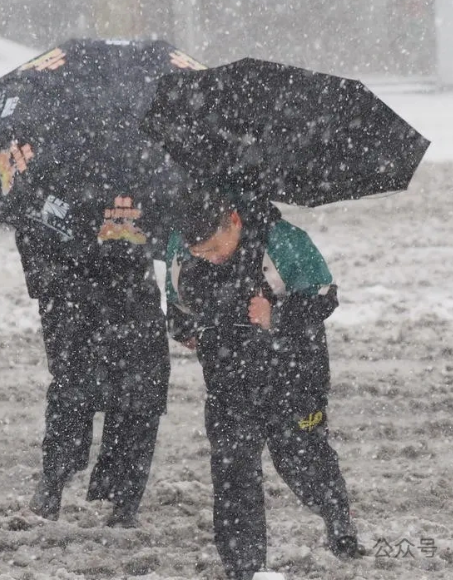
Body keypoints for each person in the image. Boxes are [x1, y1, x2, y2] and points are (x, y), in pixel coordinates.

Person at [165, 189, 361, 579]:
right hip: (226, 383)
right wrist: (185, 330)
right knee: (233, 474)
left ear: (234, 220)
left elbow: (325, 296)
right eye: (200, 253)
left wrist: (277, 314)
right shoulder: (182, 248)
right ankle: (245, 567)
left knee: (302, 462)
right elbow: (178, 306)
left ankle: (338, 519)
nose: (211, 257)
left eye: (215, 248)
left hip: (293, 377)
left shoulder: (283, 240)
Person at [18, 188, 171, 529]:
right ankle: (54, 482)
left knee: (140, 398)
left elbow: (166, 232)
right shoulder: (47, 176)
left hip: (134, 297)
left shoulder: (138, 171)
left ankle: (124, 499)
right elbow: (31, 238)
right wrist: (59, 274)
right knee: (73, 395)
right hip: (72, 302)